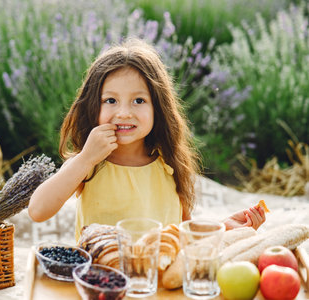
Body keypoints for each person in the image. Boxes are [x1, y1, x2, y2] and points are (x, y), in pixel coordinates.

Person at [28, 38, 265, 240]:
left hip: (156, 284)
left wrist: (222, 228)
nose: (123, 112)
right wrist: (85, 158)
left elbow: (183, 235)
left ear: (157, 108)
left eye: (138, 101)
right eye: (110, 100)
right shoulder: (90, 164)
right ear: (93, 106)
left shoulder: (169, 166)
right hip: (103, 283)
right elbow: (37, 210)